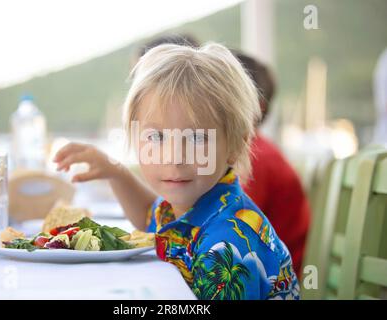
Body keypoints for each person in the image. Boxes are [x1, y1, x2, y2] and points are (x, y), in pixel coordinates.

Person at [53, 43, 300, 299]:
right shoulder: (196, 204)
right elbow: (148, 215)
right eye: (157, 136)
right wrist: (114, 171)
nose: (174, 157)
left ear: (235, 145)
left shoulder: (226, 244)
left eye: (196, 138)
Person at [231, 51, 311, 276]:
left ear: (258, 105)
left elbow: (235, 234)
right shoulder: (258, 149)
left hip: (273, 281)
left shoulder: (256, 159)